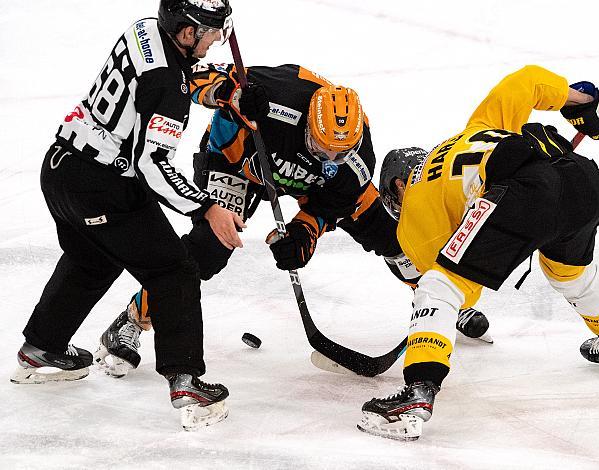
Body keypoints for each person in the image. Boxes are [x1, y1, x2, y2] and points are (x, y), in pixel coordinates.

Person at [94, 63, 493, 378]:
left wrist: (304, 233)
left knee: (395, 237)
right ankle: (131, 317)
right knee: (209, 250)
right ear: (308, 125)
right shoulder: (277, 91)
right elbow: (195, 77)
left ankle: (439, 305)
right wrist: (228, 94)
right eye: (322, 147)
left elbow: (327, 205)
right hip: (237, 165)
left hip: (310, 186)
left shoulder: (352, 161)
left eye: (339, 152)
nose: (329, 157)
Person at [356, 65, 599, 441]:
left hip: (525, 193)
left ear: (399, 183)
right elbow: (527, 80)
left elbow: (455, 284)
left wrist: (457, 310)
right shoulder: (473, 129)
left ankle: (416, 395)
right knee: (570, 271)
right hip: (582, 179)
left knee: (439, 285)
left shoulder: (413, 206)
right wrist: (582, 103)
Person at [10, 0, 241, 431]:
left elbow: (149, 91)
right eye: (211, 31)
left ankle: (41, 349)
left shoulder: (144, 30)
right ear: (187, 32)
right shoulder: (169, 84)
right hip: (102, 188)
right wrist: (206, 208)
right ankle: (187, 384)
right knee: (174, 271)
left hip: (61, 168)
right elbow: (152, 163)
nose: (217, 40)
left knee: (92, 259)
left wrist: (203, 87)